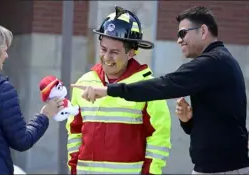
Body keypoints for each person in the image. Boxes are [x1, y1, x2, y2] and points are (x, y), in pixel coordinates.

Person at [71, 6, 249, 174]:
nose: (179, 40)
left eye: (182, 33)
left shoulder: (213, 62)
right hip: (217, 167)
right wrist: (189, 121)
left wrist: (109, 90)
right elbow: (220, 122)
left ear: (203, 31)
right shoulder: (217, 64)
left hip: (224, 169)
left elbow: (165, 84)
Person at [66, 6, 172, 175]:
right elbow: (74, 134)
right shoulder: (84, 83)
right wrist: (74, 170)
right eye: (103, 49)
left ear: (131, 53)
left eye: (114, 52)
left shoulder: (148, 88)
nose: (106, 57)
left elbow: (159, 139)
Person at [0, 20, 64, 175]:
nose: (6, 56)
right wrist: (45, 114)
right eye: (4, 50)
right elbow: (21, 141)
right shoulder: (1, 90)